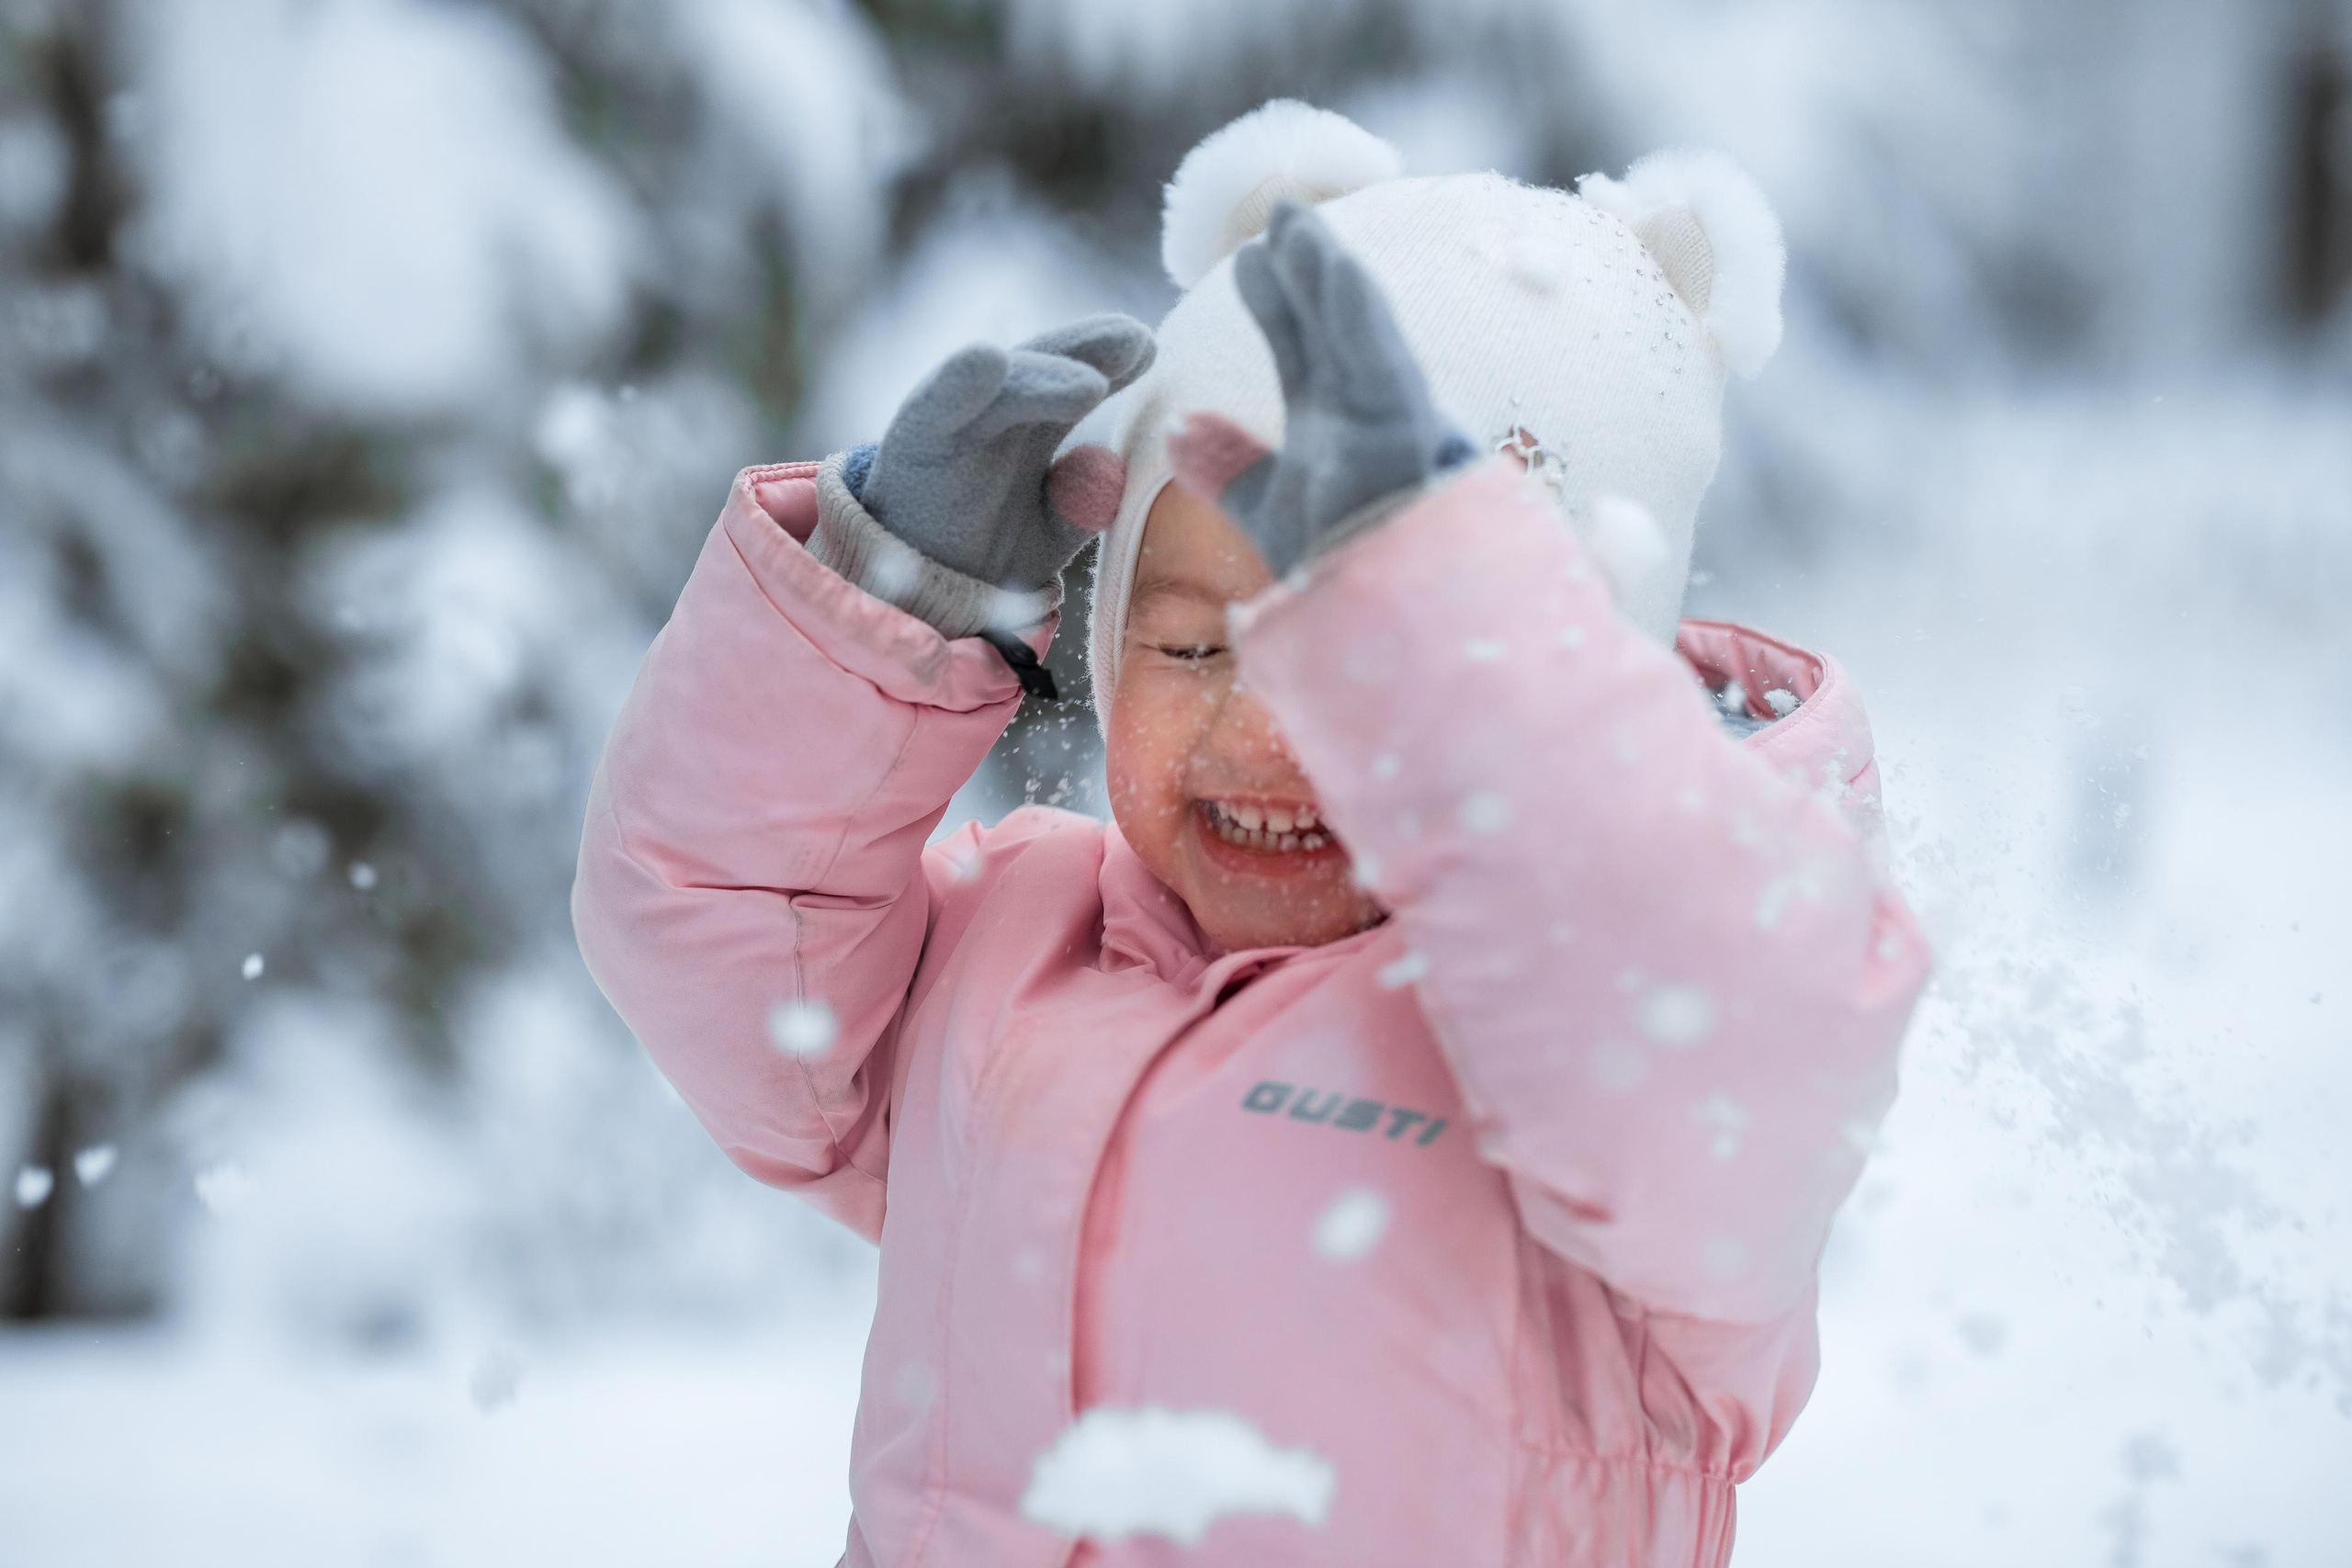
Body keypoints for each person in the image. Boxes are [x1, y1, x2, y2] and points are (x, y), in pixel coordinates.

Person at [572, 99, 1930, 1568]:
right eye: (1194, 651)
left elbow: (1717, 998)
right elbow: (717, 930)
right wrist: (889, 594)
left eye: (1367, 665)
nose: (1260, 736)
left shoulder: (1624, 1059)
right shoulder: (1017, 956)